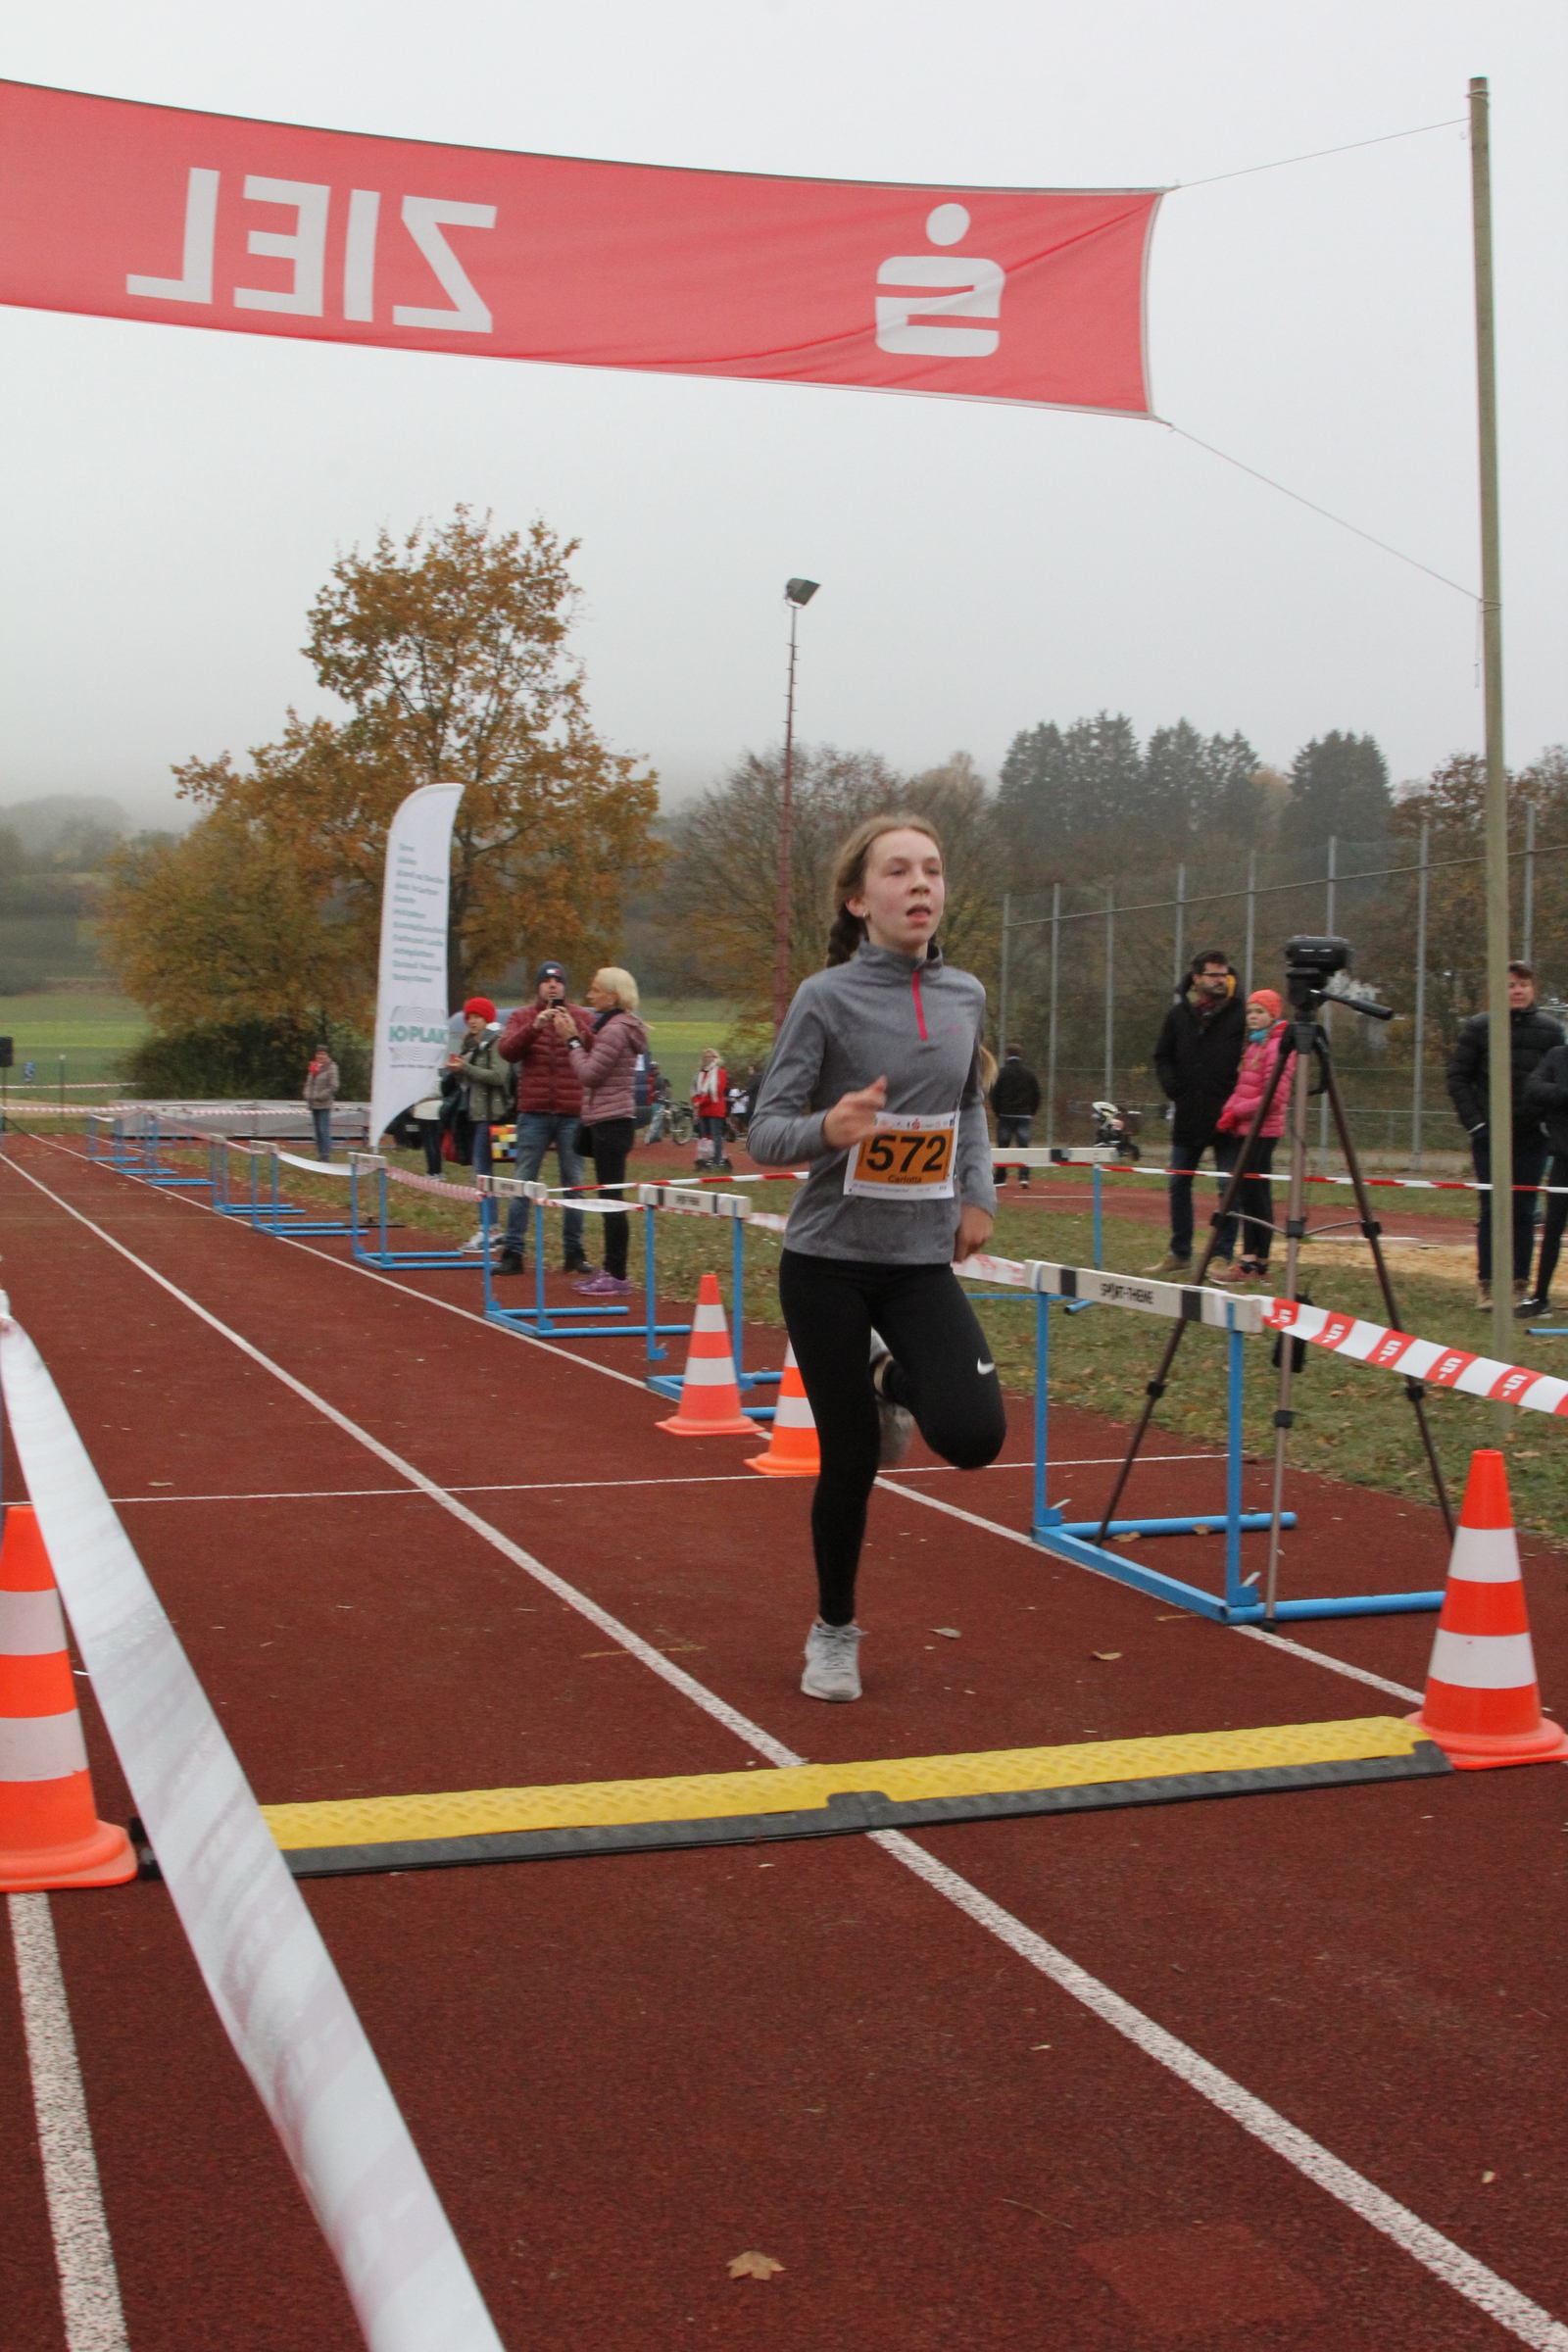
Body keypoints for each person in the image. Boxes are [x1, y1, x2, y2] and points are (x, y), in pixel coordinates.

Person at [749, 812, 1006, 1704]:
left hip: (918, 1260)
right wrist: (829, 1127)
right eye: (898, 871)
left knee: (973, 1437)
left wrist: (977, 1194)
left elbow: (967, 1105)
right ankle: (834, 1631)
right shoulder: (825, 998)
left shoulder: (966, 993)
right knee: (850, 1460)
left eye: (932, 869)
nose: (920, 884)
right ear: (859, 900)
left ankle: (887, 1377)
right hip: (827, 1261)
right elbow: (764, 1133)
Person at [1447, 961, 1562, 1308]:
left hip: (1531, 1136)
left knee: (1524, 1211)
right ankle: (1488, 1284)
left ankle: (1517, 1284)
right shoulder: (1479, 1027)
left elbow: (1558, 1082)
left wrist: (1547, 1125)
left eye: (1523, 984)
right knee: (1492, 1209)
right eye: (1511, 985)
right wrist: (1476, 1124)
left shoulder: (1551, 1031)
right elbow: (1458, 1077)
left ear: (1532, 988)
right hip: (1489, 1135)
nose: (1517, 990)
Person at [1149, 949, 1246, 1275]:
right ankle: (1180, 1252)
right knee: (1178, 1184)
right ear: (1197, 978)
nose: (1220, 980)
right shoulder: (1179, 1015)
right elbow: (1162, 1056)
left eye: (1224, 974)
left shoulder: (1241, 1014)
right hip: (1188, 1114)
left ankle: (1222, 1255)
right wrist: (1175, 1088)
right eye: (1214, 974)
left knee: (1228, 1188)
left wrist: (1237, 1094)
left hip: (1229, 1115)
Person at [495, 961, 594, 1278]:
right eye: (547, 981)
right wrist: (534, 1028)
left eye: (558, 981)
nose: (553, 985)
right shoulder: (522, 1016)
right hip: (533, 1112)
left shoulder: (582, 1016)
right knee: (523, 1181)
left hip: (571, 1112)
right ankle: (513, 1251)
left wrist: (575, 1031)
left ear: (565, 987)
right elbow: (507, 1051)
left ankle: (574, 1251)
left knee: (575, 1184)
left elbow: (596, 1050)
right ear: (538, 986)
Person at [565, 966, 649, 1298]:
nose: (590, 996)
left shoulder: (615, 1030)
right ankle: (612, 1268)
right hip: (609, 1120)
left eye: (596, 990)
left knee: (612, 1202)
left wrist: (571, 1041)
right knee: (607, 1199)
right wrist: (579, 1034)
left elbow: (589, 1074)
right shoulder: (614, 1027)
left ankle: (617, 1273)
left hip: (611, 1122)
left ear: (613, 995)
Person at [1210, 989, 1294, 1284]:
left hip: (1263, 1130)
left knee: (1256, 1196)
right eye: (1250, 1012)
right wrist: (1229, 1110)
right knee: (1250, 1194)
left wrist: (1238, 1111)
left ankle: (1254, 1262)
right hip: (1246, 1128)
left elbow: (1274, 1097)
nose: (1253, 1017)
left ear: (1273, 1014)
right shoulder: (1256, 1045)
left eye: (1260, 1012)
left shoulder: (1278, 1047)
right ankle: (1253, 1262)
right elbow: (1243, 1087)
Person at [1520, 1039, 1568, 1320]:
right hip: (1564, 1160)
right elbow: (1532, 1088)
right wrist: (1563, 1093)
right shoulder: (1557, 1056)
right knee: (1552, 1230)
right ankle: (1540, 1297)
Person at [990, 1043, 1041, 1189]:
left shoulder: (1002, 1073)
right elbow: (1036, 1094)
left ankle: (1000, 1178)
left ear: (1007, 1054)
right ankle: (1024, 1177)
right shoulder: (1028, 1073)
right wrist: (1031, 1111)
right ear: (1020, 1054)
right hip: (1024, 1115)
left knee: (1003, 1147)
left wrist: (997, 1111)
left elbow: (994, 1094)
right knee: (1023, 1146)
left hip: (1005, 1114)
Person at [693, 1048, 730, 1171]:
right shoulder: (701, 1073)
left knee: (716, 1135)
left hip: (715, 1108)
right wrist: (696, 1101)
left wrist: (700, 1102)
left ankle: (717, 1160)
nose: (709, 1059)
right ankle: (705, 1159)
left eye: (711, 1056)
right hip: (703, 1109)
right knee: (704, 1136)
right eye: (706, 1057)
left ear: (716, 1058)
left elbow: (717, 1091)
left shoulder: (720, 1072)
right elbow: (696, 1090)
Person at [303, 1042, 339, 1161]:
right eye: (318, 1054)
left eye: (323, 1054)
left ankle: (325, 1155)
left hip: (324, 1104)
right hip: (313, 1104)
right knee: (317, 1131)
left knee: (324, 1130)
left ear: (327, 1055)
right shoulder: (313, 1067)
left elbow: (334, 1086)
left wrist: (320, 1096)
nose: (320, 1056)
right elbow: (308, 1084)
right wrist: (307, 1094)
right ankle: (320, 1154)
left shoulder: (331, 1067)